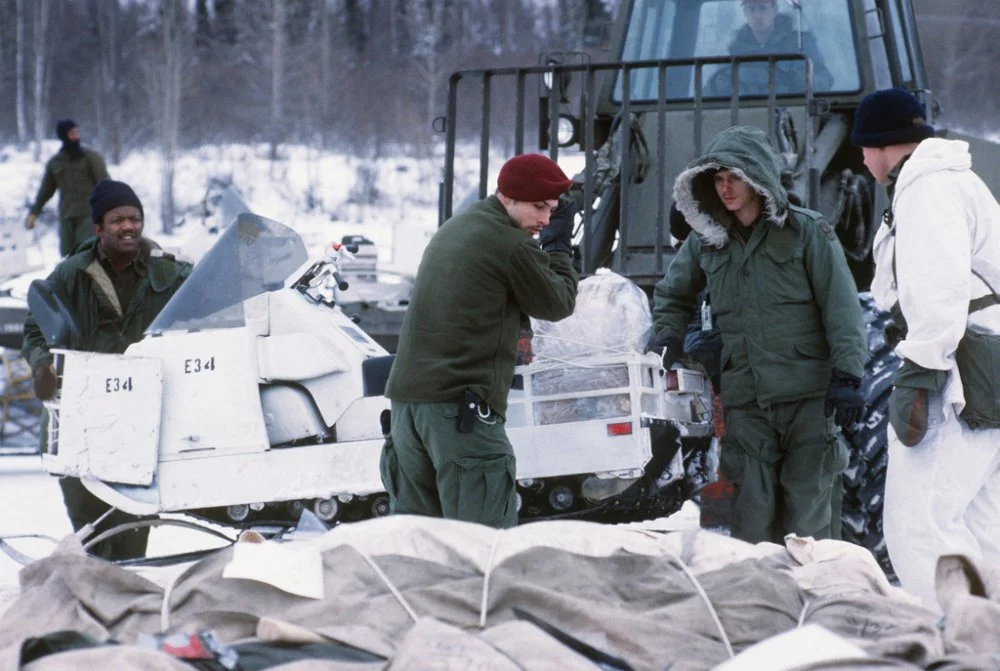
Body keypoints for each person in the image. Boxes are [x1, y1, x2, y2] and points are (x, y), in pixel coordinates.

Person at [651, 125, 866, 544]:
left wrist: (848, 376)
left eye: (735, 178)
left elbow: (841, 307)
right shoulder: (706, 241)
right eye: (718, 180)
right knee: (751, 526)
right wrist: (667, 338)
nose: (727, 188)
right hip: (747, 404)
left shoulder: (807, 231)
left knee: (809, 524)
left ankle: (816, 606)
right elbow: (672, 294)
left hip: (808, 400)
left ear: (758, 178)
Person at [853, 88, 1000, 607]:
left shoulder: (927, 188)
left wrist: (918, 374)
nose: (862, 159)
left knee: (921, 525)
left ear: (881, 144)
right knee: (981, 526)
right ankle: (988, 641)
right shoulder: (951, 180)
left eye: (863, 148)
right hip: (982, 367)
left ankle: (960, 642)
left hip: (957, 374)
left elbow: (938, 291)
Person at [379, 154, 579, 528]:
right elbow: (557, 302)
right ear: (509, 197)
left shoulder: (456, 227)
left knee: (417, 543)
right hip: (458, 416)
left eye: (552, 211)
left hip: (407, 409)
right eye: (539, 207)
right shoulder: (509, 244)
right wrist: (559, 248)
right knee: (484, 545)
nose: (545, 220)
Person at [23, 179, 192, 560]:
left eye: (135, 218)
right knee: (90, 527)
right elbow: (35, 327)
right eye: (117, 220)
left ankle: (128, 590)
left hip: (141, 418)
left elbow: (206, 308)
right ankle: (98, 589)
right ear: (98, 228)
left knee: (134, 524)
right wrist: (41, 366)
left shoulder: (171, 275)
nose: (128, 227)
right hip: (82, 416)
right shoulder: (70, 275)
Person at [26, 119, 110, 258]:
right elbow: (46, 191)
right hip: (66, 216)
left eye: (77, 132)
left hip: (88, 214)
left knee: (86, 253)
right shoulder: (55, 163)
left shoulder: (91, 158)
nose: (76, 136)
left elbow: (106, 186)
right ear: (63, 136)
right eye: (72, 133)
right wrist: (34, 212)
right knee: (67, 256)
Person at [710, 0, 833, 96]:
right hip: (743, 114)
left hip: (791, 114)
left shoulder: (801, 43)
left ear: (775, 10)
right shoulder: (734, 49)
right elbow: (711, 87)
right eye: (751, 9)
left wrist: (803, 81)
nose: (757, 15)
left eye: (763, 8)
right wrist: (725, 87)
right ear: (745, 13)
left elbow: (825, 81)